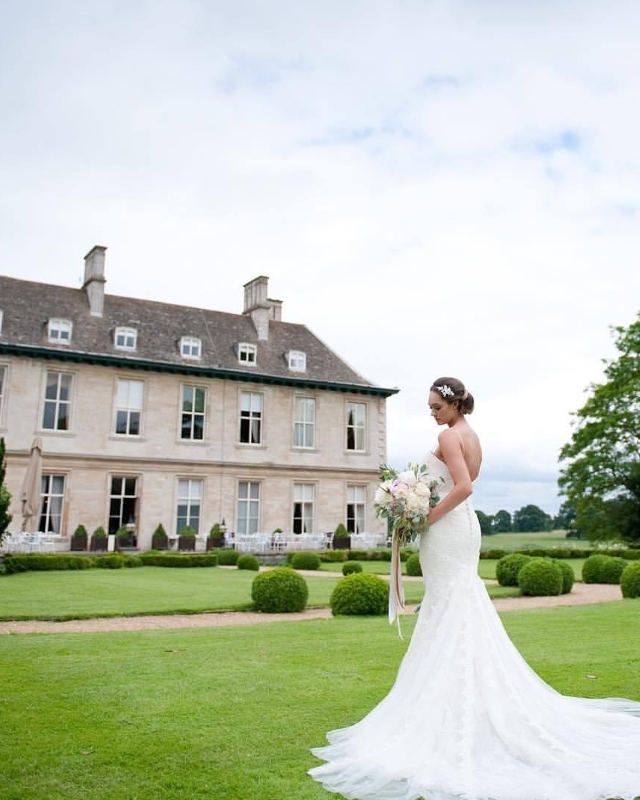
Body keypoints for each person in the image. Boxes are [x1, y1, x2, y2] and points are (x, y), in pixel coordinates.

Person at [309, 377, 640, 800]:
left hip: (448, 529)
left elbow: (464, 487)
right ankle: (467, 701)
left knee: (449, 606)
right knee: (456, 607)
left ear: (452, 405)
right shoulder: (471, 435)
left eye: (435, 406)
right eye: (430, 407)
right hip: (462, 529)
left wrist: (424, 516)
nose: (431, 413)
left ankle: (451, 711)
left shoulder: (449, 435)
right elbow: (459, 485)